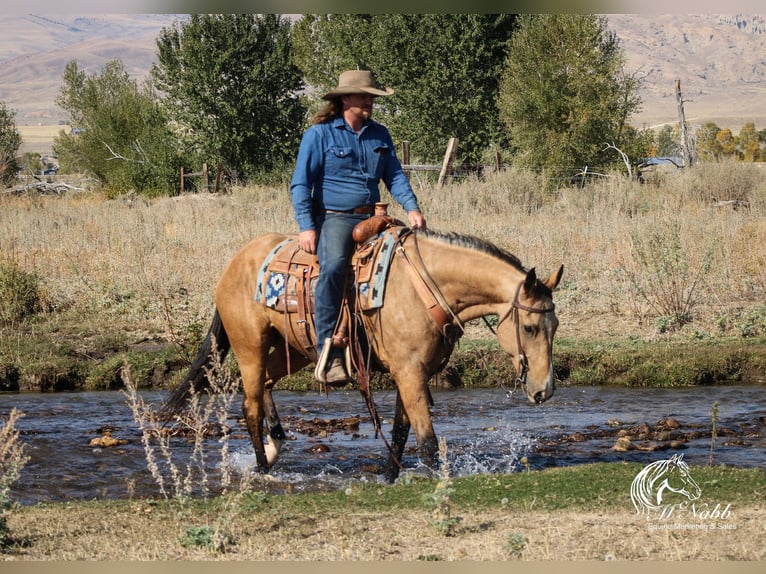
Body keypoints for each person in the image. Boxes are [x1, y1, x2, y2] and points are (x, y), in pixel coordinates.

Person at [290, 70, 426, 385]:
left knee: (408, 259)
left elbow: (394, 176)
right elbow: (300, 184)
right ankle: (329, 347)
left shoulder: (380, 134)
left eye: (372, 96)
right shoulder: (319, 135)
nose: (370, 101)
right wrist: (307, 227)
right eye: (364, 95)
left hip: (375, 217)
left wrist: (413, 208)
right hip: (335, 216)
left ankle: (397, 335)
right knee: (335, 266)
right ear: (345, 99)